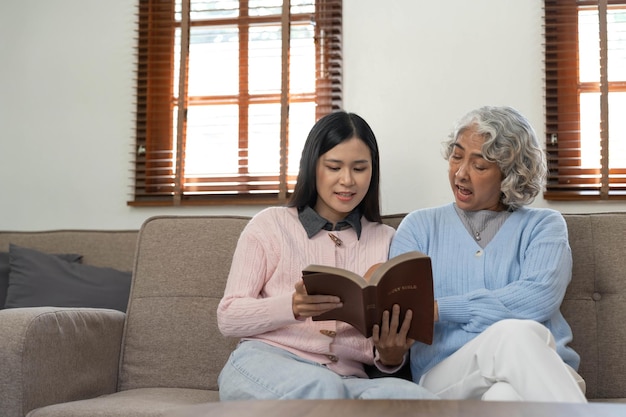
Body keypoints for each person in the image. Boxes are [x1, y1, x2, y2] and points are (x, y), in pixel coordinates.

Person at [217, 111, 437, 400]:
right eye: (334, 167)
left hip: (347, 380)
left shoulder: (386, 239)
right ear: (312, 167)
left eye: (359, 169)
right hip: (266, 363)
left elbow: (382, 351)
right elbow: (229, 318)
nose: (347, 181)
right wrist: (292, 306)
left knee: (421, 401)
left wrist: (391, 355)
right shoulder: (270, 225)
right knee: (323, 389)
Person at [390, 106, 587, 402]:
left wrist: (439, 309)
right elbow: (399, 304)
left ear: (509, 174)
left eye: (479, 166)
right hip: (446, 375)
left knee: (503, 396)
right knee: (513, 335)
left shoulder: (544, 226)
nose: (460, 173)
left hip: (542, 371)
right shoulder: (419, 227)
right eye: (456, 156)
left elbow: (538, 297)